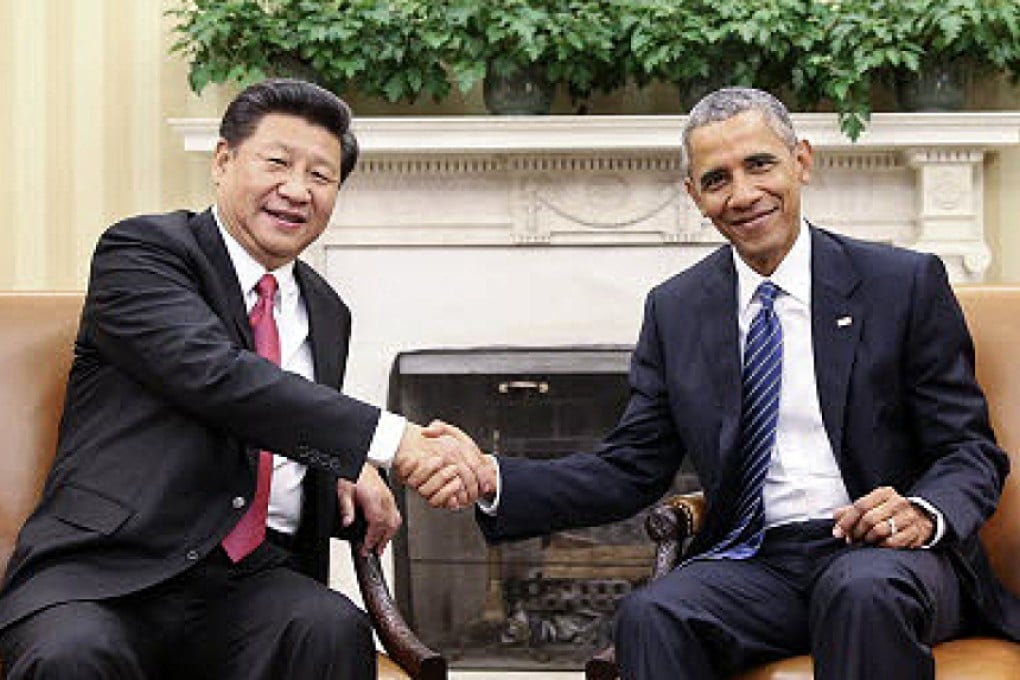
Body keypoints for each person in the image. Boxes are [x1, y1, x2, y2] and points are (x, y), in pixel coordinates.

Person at [430, 87, 1020, 678]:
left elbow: (969, 451)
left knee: (860, 590)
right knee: (653, 613)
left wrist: (920, 510)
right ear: (695, 196)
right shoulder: (677, 310)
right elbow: (629, 467)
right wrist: (492, 477)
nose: (743, 194)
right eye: (717, 179)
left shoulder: (901, 284)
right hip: (762, 563)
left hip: (889, 556)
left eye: (760, 164)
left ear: (802, 161)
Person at [0, 78, 487, 680]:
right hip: (107, 573)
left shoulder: (327, 311)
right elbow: (218, 377)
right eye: (277, 163)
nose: (296, 190)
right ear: (224, 160)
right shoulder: (143, 252)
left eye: (321, 176)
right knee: (71, 656)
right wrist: (388, 441)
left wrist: (345, 464)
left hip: (244, 583)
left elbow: (288, 416)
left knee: (329, 628)